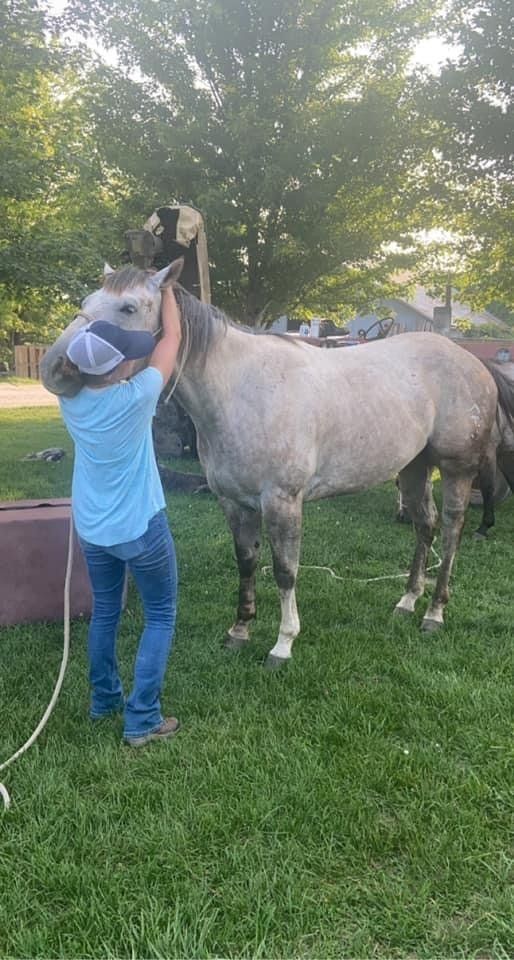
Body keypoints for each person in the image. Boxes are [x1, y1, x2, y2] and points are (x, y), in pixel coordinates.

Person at [59, 287, 182, 747]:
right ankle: (143, 719)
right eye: (126, 356)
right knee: (160, 615)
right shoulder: (138, 396)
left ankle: (103, 700)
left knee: (106, 612)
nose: (134, 360)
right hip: (140, 528)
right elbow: (170, 337)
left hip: (92, 529)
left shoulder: (70, 401)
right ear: (118, 367)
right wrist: (165, 290)